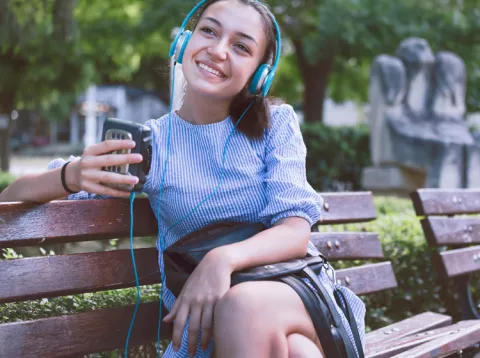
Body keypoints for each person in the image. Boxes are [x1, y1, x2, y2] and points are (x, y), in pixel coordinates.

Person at [0, 0, 366, 357]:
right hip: (212, 323)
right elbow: (12, 195)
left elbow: (295, 232)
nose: (218, 50)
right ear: (184, 42)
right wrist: (73, 174)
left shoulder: (275, 124)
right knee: (297, 352)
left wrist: (221, 261)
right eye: (209, 31)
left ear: (259, 73)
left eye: (241, 46)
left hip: (289, 293)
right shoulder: (149, 146)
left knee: (245, 306)